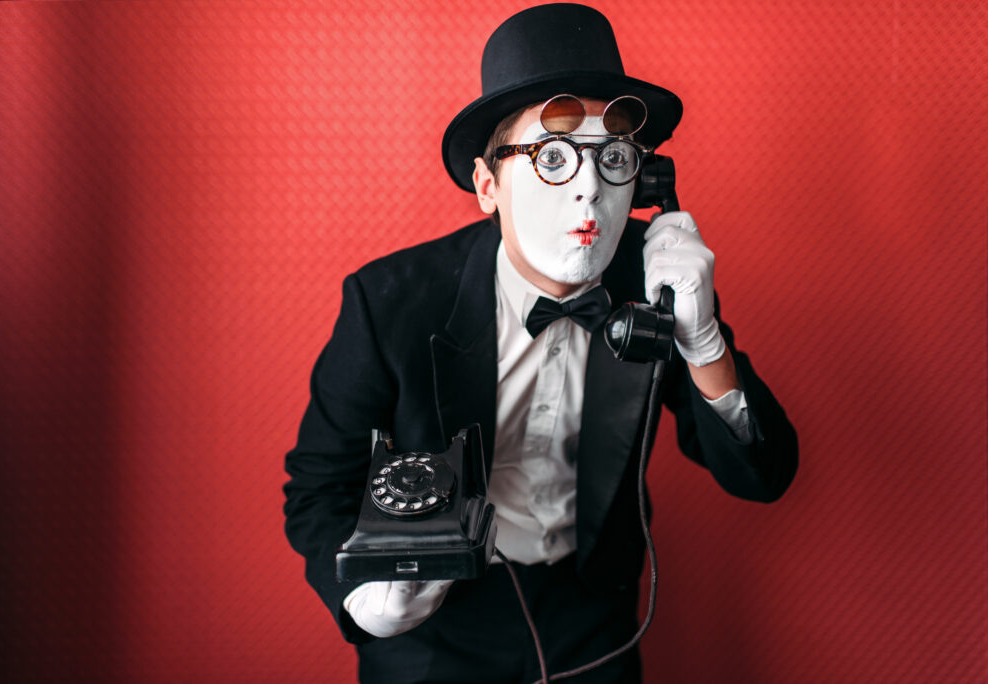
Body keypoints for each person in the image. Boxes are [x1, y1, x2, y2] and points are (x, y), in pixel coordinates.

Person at [283, 4, 798, 683]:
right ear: (487, 185)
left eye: (613, 156)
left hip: (592, 615)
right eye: (553, 157)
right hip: (437, 622)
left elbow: (763, 477)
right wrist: (361, 596)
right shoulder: (389, 303)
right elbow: (317, 487)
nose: (589, 186)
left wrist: (703, 345)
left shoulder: (659, 281)